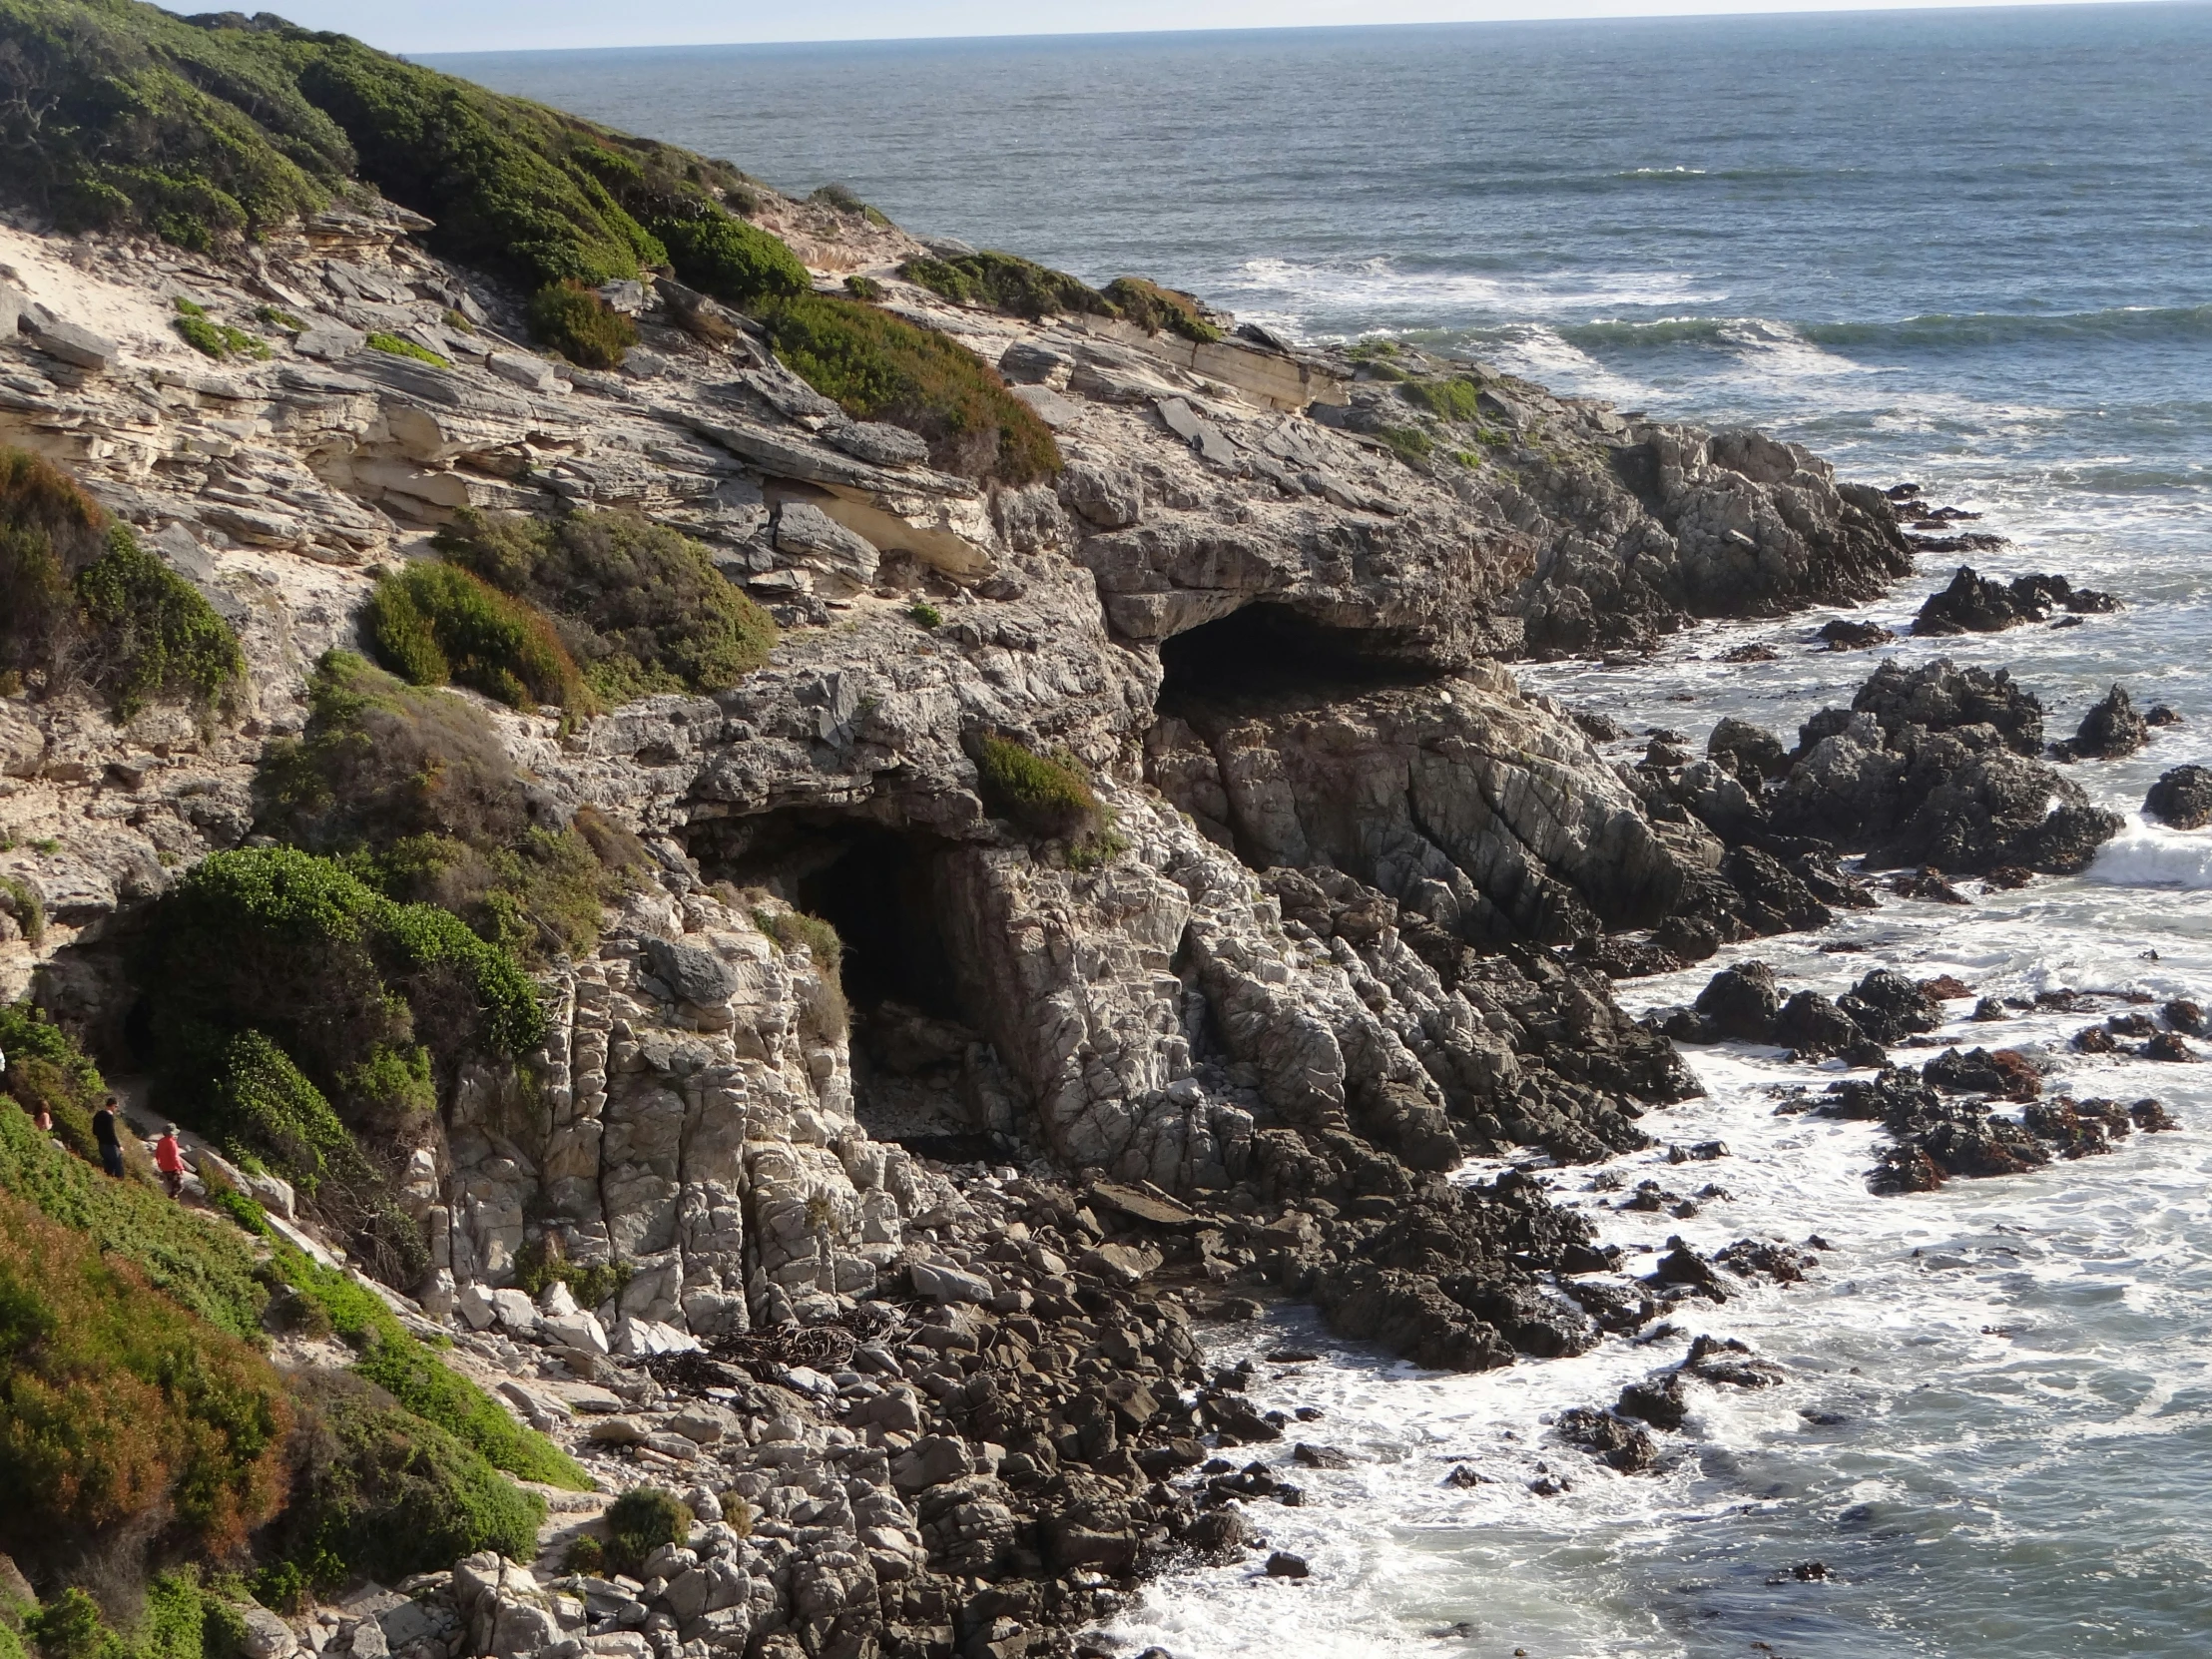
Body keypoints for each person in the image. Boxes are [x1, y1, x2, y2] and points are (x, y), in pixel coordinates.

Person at [92, 1095, 123, 1178]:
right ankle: (119, 1185)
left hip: (101, 1144)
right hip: (109, 1146)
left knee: (107, 1166)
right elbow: (111, 1133)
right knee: (117, 1166)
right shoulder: (109, 1117)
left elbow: (94, 1131)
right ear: (112, 1106)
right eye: (116, 1106)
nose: (116, 1109)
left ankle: (108, 1182)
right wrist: (119, 1146)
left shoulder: (98, 1114)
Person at [154, 1123, 186, 1199]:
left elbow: (157, 1154)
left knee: (170, 1181)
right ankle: (172, 1197)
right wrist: (180, 1168)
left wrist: (159, 1163)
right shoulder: (172, 1142)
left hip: (164, 1167)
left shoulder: (161, 1141)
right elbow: (175, 1157)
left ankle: (169, 1194)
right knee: (179, 1185)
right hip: (172, 1168)